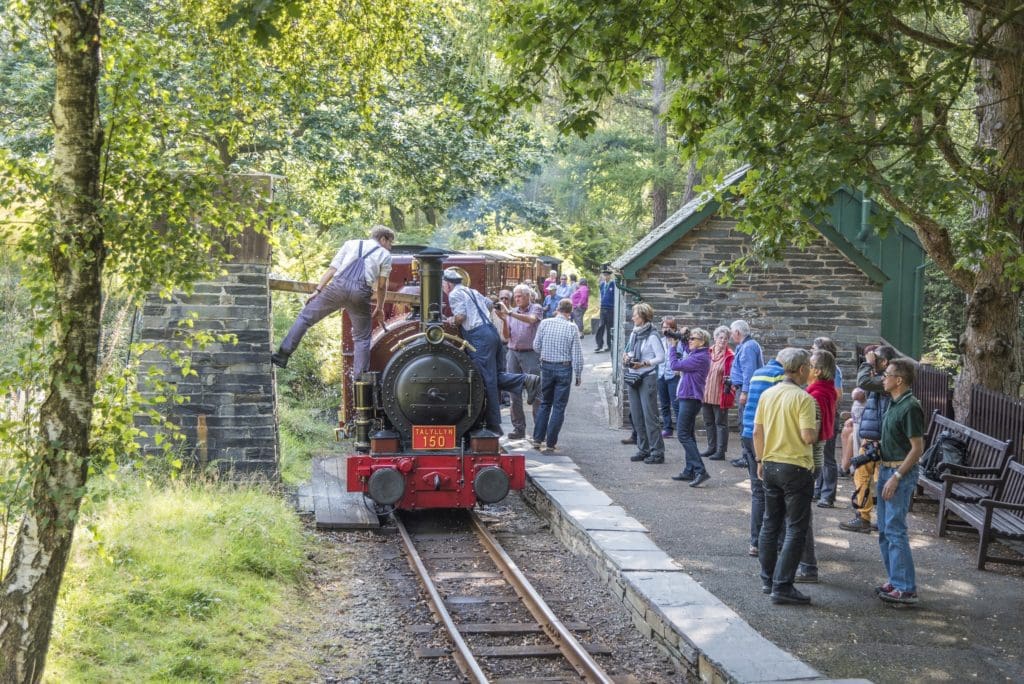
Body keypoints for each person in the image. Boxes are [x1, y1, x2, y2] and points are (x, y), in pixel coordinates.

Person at [273, 225, 395, 374]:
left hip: (337, 289)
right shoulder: (385, 255)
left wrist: (318, 290)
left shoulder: (350, 244)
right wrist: (380, 308)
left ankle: (282, 355)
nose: (390, 247)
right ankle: (359, 383)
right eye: (390, 243)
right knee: (362, 338)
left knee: (306, 318)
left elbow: (332, 269)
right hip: (360, 293)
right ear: (383, 239)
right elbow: (382, 286)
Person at [754, 348, 818, 606]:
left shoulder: (768, 394)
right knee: (795, 527)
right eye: (809, 368)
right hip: (795, 466)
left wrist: (760, 460)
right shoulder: (803, 399)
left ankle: (768, 579)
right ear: (801, 369)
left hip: (770, 463)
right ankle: (783, 585)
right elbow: (807, 436)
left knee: (770, 523)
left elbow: (757, 431)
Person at [442, 269, 539, 436]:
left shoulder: (454, 294)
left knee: (486, 380)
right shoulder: (471, 290)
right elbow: (489, 304)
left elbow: (461, 316)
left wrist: (450, 320)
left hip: (478, 336)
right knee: (495, 375)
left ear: (448, 284)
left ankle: (493, 426)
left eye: (443, 284)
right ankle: (527, 381)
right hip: (491, 332)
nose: (443, 288)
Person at [874, 357, 925, 605]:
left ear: (899, 380)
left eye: (888, 374)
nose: (884, 378)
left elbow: (917, 448)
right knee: (884, 530)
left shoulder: (910, 407)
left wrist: (896, 476)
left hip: (898, 475)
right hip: (885, 470)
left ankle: (906, 587)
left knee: (895, 529)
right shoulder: (894, 403)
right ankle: (895, 580)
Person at [840, 344, 898, 533]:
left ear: (885, 362)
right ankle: (871, 518)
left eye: (876, 359)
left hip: (878, 438)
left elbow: (863, 382)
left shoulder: (887, 380)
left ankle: (867, 518)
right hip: (874, 435)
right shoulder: (883, 378)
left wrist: (867, 363)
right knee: (866, 476)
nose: (872, 362)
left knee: (871, 477)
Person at [795, 349, 838, 584]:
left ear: (818, 370)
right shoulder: (823, 390)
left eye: (810, 364)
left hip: (810, 457)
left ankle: (808, 566)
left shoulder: (818, 393)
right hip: (813, 456)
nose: (806, 367)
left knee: (802, 514)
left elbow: (813, 432)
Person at [741, 354, 785, 556]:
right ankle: (775, 541)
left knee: (757, 492)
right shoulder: (780, 375)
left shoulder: (758, 373)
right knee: (774, 492)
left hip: (748, 433)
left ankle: (755, 542)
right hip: (764, 436)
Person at [532, 299, 584, 453]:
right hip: (563, 368)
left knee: (545, 403)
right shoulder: (572, 327)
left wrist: (546, 352)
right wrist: (578, 374)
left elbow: (536, 346)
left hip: (546, 366)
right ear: (570, 311)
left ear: (557, 309)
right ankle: (550, 443)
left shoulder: (545, 323)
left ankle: (537, 439)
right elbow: (577, 354)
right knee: (559, 407)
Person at [623, 303, 666, 464]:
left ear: (642, 316)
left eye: (635, 315)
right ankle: (643, 449)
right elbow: (629, 350)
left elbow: (661, 357)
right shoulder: (635, 333)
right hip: (633, 377)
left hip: (647, 377)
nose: (633, 317)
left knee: (650, 416)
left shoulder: (652, 335)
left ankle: (657, 452)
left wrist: (644, 363)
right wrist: (626, 357)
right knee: (636, 416)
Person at [669, 327, 712, 487]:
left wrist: (672, 346)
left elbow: (675, 365)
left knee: (682, 434)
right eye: (690, 338)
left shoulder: (700, 358)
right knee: (689, 434)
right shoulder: (698, 353)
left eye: (693, 338)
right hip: (689, 398)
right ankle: (690, 470)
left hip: (690, 399)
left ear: (702, 341)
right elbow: (688, 348)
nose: (690, 341)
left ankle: (701, 470)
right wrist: (682, 337)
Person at [505, 284, 544, 440]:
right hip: (513, 352)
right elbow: (506, 335)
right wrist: (503, 320)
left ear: (528, 296)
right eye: (515, 296)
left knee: (535, 392)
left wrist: (510, 314)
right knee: (513, 392)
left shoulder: (536, 308)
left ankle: (539, 431)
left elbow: (531, 320)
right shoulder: (511, 312)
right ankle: (518, 428)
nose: (517, 299)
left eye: (520, 295)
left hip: (530, 354)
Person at [811, 337, 843, 507]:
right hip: (821, 412)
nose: (811, 350)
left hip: (828, 414)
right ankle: (818, 490)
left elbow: (838, 393)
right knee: (819, 454)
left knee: (828, 456)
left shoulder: (833, 370)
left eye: (814, 348)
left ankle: (828, 494)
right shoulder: (817, 370)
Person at [729, 320, 765, 467]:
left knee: (746, 422)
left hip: (747, 391)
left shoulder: (748, 347)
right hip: (743, 389)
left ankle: (748, 456)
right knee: (744, 421)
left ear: (737, 332)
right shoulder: (746, 345)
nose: (731, 335)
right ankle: (747, 455)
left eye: (732, 332)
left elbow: (748, 371)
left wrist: (744, 391)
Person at [700, 325, 735, 460]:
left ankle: (720, 451)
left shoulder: (730, 356)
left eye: (726, 339)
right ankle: (711, 448)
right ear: (714, 338)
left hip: (720, 395)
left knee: (720, 424)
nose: (723, 341)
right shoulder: (707, 352)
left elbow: (732, 375)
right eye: (720, 338)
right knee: (708, 422)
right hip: (705, 393)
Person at [657, 317, 682, 438]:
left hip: (673, 376)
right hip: (661, 375)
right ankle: (667, 428)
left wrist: (680, 368)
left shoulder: (679, 343)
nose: (666, 330)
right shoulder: (660, 341)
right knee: (664, 404)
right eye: (664, 327)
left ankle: (681, 429)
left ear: (674, 329)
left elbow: (684, 356)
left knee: (676, 404)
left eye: (669, 327)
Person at [594, 270, 616, 353]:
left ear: (610, 276)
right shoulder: (602, 285)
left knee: (610, 327)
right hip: (603, 308)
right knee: (601, 326)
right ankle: (599, 345)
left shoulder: (613, 284)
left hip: (610, 309)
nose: (605, 277)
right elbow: (600, 295)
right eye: (604, 275)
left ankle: (609, 346)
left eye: (607, 275)